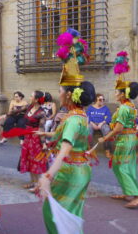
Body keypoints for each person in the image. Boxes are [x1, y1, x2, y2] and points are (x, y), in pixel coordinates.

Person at [36, 28, 94, 234]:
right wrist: (45, 135)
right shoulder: (79, 115)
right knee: (70, 213)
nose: (58, 94)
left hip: (69, 171)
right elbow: (69, 140)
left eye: (60, 91)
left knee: (53, 213)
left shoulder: (72, 119)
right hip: (81, 169)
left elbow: (65, 148)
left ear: (69, 95)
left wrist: (47, 176)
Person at [98, 51, 138, 208]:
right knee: (127, 166)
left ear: (123, 94)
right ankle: (128, 192)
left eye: (117, 91)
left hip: (125, 140)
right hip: (130, 140)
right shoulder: (130, 106)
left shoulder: (125, 108)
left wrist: (105, 138)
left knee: (121, 166)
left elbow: (118, 128)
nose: (115, 93)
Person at [19, 90, 47, 191]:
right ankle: (33, 182)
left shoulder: (42, 113)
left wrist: (43, 143)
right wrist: (6, 115)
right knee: (28, 160)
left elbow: (41, 129)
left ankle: (38, 185)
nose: (29, 97)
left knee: (35, 161)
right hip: (27, 136)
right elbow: (18, 110)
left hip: (35, 138)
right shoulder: (29, 106)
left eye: (31, 96)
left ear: (36, 99)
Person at [86, 93, 112, 158]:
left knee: (107, 130)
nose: (102, 101)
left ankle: (107, 150)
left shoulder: (105, 108)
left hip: (102, 123)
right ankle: (90, 149)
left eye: (103, 99)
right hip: (92, 123)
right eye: (100, 99)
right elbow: (87, 117)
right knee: (88, 130)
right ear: (96, 100)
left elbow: (109, 117)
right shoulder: (90, 108)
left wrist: (102, 123)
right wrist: (92, 123)